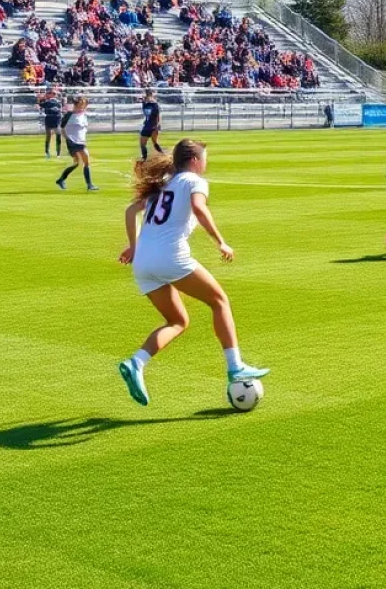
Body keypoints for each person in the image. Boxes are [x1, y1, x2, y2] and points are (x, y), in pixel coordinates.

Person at [116, 139, 270, 406]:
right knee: (219, 301)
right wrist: (221, 241)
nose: (206, 163)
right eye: (205, 158)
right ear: (196, 161)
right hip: (170, 257)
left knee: (178, 321)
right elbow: (199, 208)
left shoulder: (163, 183)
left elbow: (131, 211)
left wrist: (134, 246)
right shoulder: (194, 181)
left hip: (143, 263)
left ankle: (136, 363)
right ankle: (235, 367)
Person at [56, 97, 98, 191]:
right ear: (75, 105)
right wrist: (68, 139)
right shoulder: (69, 115)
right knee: (86, 160)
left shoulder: (83, 115)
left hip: (81, 141)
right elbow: (62, 129)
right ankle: (89, 185)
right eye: (80, 105)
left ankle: (61, 179)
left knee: (76, 163)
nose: (82, 107)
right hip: (73, 142)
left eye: (84, 105)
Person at [37, 86, 64, 158]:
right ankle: (47, 152)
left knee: (58, 135)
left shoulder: (58, 102)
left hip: (57, 119)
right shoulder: (47, 102)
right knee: (48, 136)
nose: (53, 95)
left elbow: (62, 108)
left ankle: (58, 153)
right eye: (51, 93)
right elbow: (40, 104)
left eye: (54, 93)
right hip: (49, 118)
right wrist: (41, 97)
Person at [139, 89, 164, 159]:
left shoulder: (151, 104)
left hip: (149, 126)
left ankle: (144, 158)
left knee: (142, 144)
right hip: (153, 126)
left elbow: (157, 115)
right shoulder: (151, 103)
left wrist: (157, 124)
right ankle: (163, 155)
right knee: (155, 142)